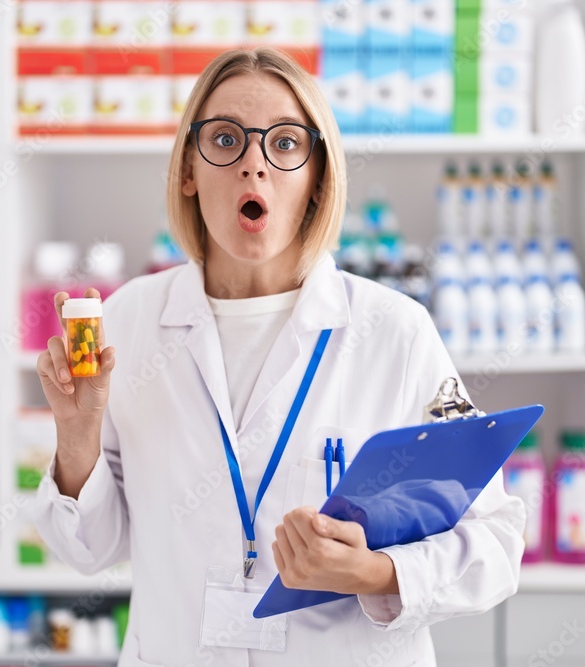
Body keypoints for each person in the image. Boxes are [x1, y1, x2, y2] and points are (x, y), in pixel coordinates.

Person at [33, 46, 526, 666]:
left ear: (318, 176)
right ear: (188, 168)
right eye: (225, 139)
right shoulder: (130, 321)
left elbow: (498, 543)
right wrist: (76, 436)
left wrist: (376, 571)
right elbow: (89, 550)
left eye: (286, 143)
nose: (254, 167)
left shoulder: (393, 332)